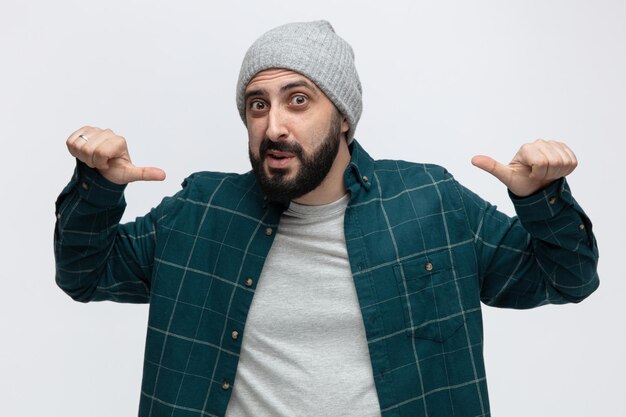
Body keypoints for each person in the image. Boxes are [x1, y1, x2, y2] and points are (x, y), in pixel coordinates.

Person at [54, 20, 599, 417]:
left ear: (342, 118)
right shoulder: (201, 212)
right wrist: (97, 187)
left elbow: (565, 278)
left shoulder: (429, 201)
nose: (273, 126)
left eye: (298, 100)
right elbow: (85, 272)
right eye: (258, 105)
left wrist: (542, 198)